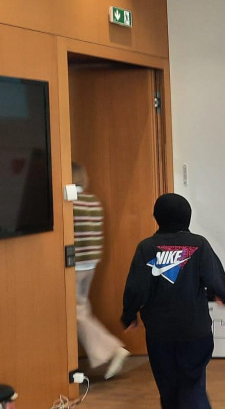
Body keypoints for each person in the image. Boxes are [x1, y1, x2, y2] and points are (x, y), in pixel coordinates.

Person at [121, 193, 225, 409]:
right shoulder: (199, 244)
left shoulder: (146, 248)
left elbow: (137, 287)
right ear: (188, 217)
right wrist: (224, 294)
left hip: (159, 333)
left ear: (156, 217)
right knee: (193, 384)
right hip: (195, 331)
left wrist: (129, 315)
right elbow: (213, 277)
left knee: (168, 387)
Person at [71, 162, 130, 380]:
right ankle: (105, 351)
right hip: (90, 263)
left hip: (73, 264)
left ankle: (111, 349)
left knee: (76, 312)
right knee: (80, 308)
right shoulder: (93, 201)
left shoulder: (69, 203)